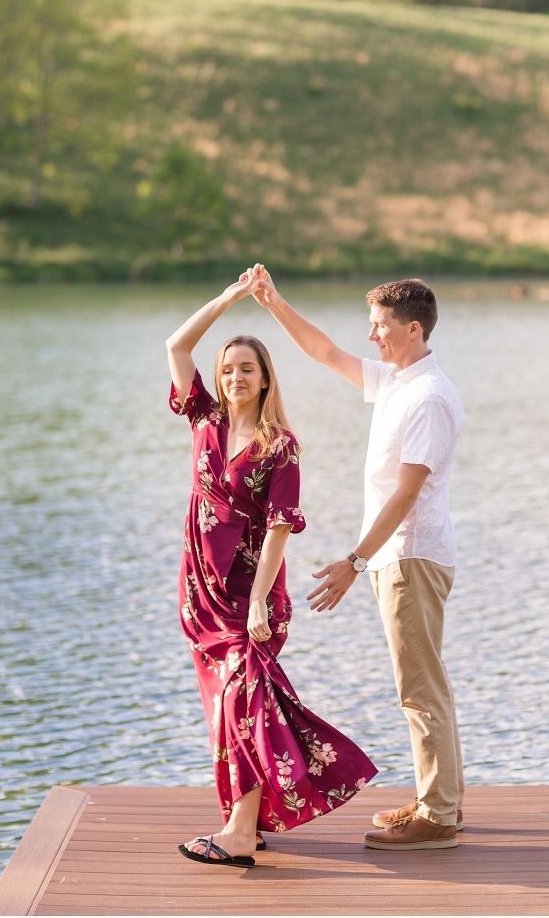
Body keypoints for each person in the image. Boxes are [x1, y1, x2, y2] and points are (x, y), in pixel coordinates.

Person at [249, 266, 466, 852]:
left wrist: (354, 560)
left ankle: (439, 815)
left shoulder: (427, 396)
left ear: (413, 330)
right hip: (399, 556)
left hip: (410, 556)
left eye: (380, 326)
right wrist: (274, 303)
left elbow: (405, 493)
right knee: (423, 683)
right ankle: (435, 799)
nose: (371, 336)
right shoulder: (398, 380)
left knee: (420, 688)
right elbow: (324, 351)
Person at [166, 275, 377, 868]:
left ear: (265, 380)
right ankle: (248, 822)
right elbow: (176, 348)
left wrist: (260, 601)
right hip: (199, 593)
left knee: (245, 701)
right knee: (224, 706)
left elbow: (281, 526)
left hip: (249, 595)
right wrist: (227, 300)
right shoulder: (203, 418)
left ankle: (238, 831)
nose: (236, 378)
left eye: (247, 369)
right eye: (228, 367)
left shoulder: (279, 446)